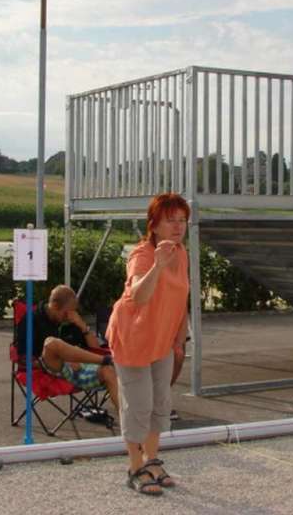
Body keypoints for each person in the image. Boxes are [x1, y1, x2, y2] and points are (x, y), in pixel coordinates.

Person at [106, 193, 190, 496]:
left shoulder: (181, 253)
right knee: (138, 405)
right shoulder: (142, 254)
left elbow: (182, 296)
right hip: (132, 338)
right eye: (171, 220)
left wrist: (181, 336)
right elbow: (139, 296)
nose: (178, 227)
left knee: (160, 404)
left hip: (161, 339)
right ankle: (134, 467)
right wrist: (158, 265)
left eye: (182, 220)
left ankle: (152, 459)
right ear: (154, 225)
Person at [18, 285, 119, 412]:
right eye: (67, 312)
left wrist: (82, 325)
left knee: (109, 371)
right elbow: (23, 360)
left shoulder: (71, 319)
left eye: (73, 312)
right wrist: (65, 360)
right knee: (52, 343)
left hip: (79, 368)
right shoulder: (31, 320)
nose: (70, 316)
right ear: (54, 306)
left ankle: (129, 426)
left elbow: (95, 348)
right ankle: (109, 360)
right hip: (50, 365)